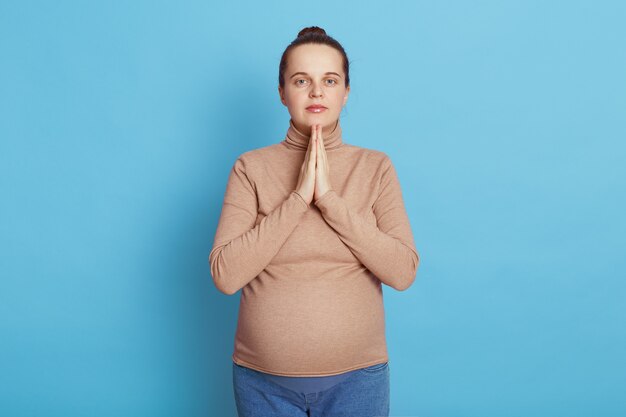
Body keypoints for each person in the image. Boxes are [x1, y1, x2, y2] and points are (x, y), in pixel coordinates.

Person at [209, 26, 420, 417]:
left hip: (359, 382)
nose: (317, 92)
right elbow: (225, 275)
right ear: (282, 92)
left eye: (330, 80)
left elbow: (403, 271)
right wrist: (297, 199)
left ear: (346, 92)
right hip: (262, 385)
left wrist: (328, 200)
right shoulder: (250, 168)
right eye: (302, 80)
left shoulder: (375, 167)